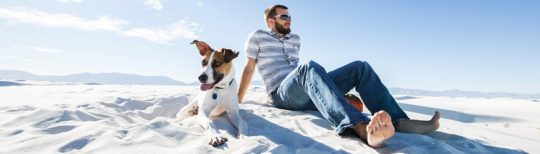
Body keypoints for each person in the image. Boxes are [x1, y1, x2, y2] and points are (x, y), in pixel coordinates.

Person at [237, 4, 440, 148]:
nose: (289, 20)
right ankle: (358, 126)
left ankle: (397, 121)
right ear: (270, 21)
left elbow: (305, 74)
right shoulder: (258, 36)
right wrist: (237, 100)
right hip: (281, 94)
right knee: (309, 67)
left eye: (290, 16)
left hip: (305, 90)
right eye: (284, 16)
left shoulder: (295, 39)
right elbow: (249, 68)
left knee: (360, 67)